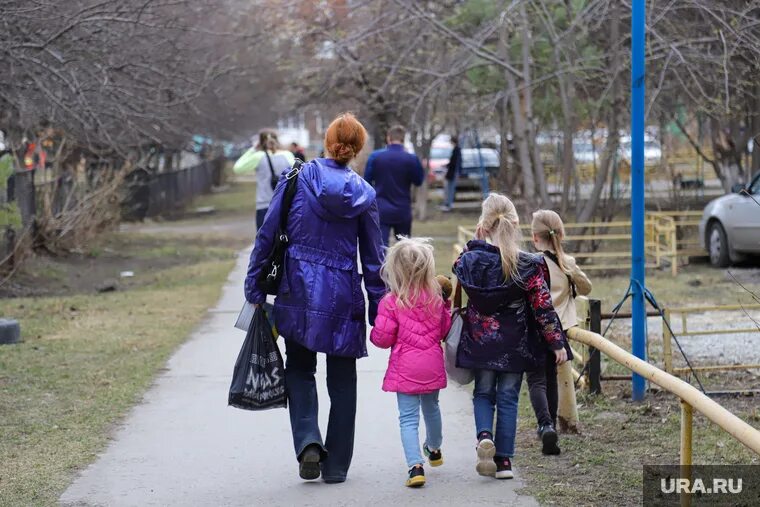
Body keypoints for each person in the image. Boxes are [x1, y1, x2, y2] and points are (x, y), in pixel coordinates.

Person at [244, 113, 385, 483]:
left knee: (300, 368)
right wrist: (379, 308)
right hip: (342, 293)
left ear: (327, 141)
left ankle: (308, 441)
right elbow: (374, 260)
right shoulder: (365, 195)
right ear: (358, 150)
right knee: (343, 379)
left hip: (298, 286)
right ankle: (336, 465)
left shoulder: (297, 177)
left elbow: (267, 233)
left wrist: (255, 285)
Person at [452, 193, 567, 480]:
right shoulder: (529, 264)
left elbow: (457, 273)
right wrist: (556, 342)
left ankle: (483, 437)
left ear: (483, 225)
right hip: (516, 346)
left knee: (483, 393)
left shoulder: (469, 260)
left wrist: (474, 242)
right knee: (508, 398)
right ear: (515, 224)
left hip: (481, 343)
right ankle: (504, 461)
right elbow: (543, 306)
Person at [370, 238, 450, 488]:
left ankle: (415, 466)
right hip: (432, 364)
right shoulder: (436, 300)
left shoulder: (391, 302)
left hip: (405, 368)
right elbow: (444, 330)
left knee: (408, 419)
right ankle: (434, 448)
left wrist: (376, 330)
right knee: (432, 408)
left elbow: (382, 340)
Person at [528, 209, 592, 448]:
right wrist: (571, 272)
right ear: (561, 235)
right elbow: (586, 289)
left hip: (535, 329)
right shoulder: (568, 263)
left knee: (536, 380)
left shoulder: (530, 262)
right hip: (560, 330)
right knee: (552, 379)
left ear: (535, 237)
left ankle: (544, 424)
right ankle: (552, 427)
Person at [364, 125, 424, 246]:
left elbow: (367, 182)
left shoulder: (375, 157)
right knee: (404, 249)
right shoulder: (411, 159)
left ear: (388, 138)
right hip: (403, 209)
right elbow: (418, 181)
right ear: (403, 139)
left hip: (381, 208)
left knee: (380, 249)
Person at [233, 130, 295, 229]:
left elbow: (237, 168)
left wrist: (253, 149)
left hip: (264, 205)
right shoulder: (287, 155)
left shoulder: (258, 157)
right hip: (285, 204)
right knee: (286, 240)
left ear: (260, 142)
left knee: (264, 241)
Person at [441, 135, 461, 212]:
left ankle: (448, 204)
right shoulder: (456, 150)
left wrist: (447, 166)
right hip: (452, 173)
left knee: (450, 189)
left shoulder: (456, 150)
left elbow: (454, 163)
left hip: (452, 173)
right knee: (449, 188)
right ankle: (448, 203)